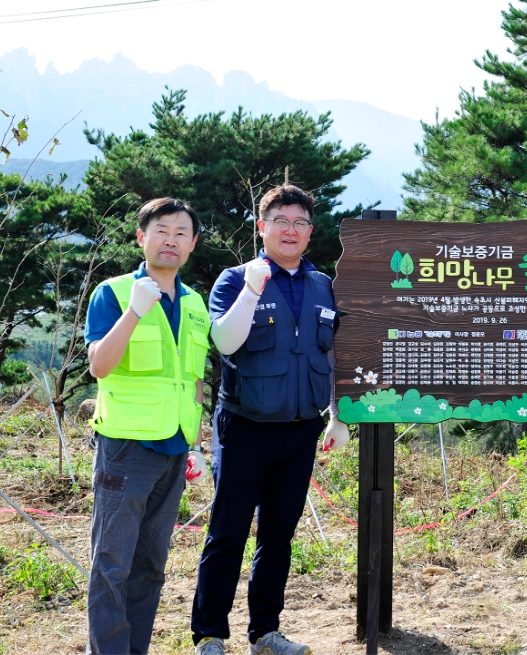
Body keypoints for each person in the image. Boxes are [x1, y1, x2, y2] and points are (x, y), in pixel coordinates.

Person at [191, 185, 349, 655]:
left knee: (279, 535)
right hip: (244, 427)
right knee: (228, 531)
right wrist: (253, 287)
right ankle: (210, 635)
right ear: (261, 227)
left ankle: (265, 632)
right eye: (281, 220)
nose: (291, 230)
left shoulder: (322, 285)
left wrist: (337, 416)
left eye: (300, 223)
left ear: (310, 232)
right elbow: (224, 342)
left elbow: (335, 353)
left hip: (301, 430)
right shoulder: (234, 278)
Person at [84, 197, 209, 655]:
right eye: (162, 230)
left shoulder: (195, 302)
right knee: (112, 564)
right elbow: (99, 365)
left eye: (181, 233)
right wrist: (134, 312)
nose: (171, 239)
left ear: (192, 244)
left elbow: (192, 379)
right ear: (141, 237)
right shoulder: (114, 293)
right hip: (126, 448)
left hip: (175, 449)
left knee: (151, 565)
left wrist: (196, 445)